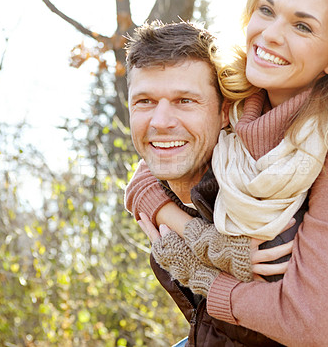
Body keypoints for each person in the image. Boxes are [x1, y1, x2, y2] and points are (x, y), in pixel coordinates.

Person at [127, 0, 328, 345]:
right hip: (272, 316)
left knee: (274, 230)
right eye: (266, 10)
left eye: (302, 26)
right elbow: (155, 159)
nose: (270, 35)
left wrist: (204, 275)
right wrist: (196, 233)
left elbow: (313, 326)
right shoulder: (239, 94)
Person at [124, 20, 296, 346]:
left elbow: (287, 331)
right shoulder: (166, 201)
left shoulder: (254, 193)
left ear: (224, 112)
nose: (160, 123)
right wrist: (190, 233)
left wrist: (197, 270)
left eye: (184, 101)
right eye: (144, 101)